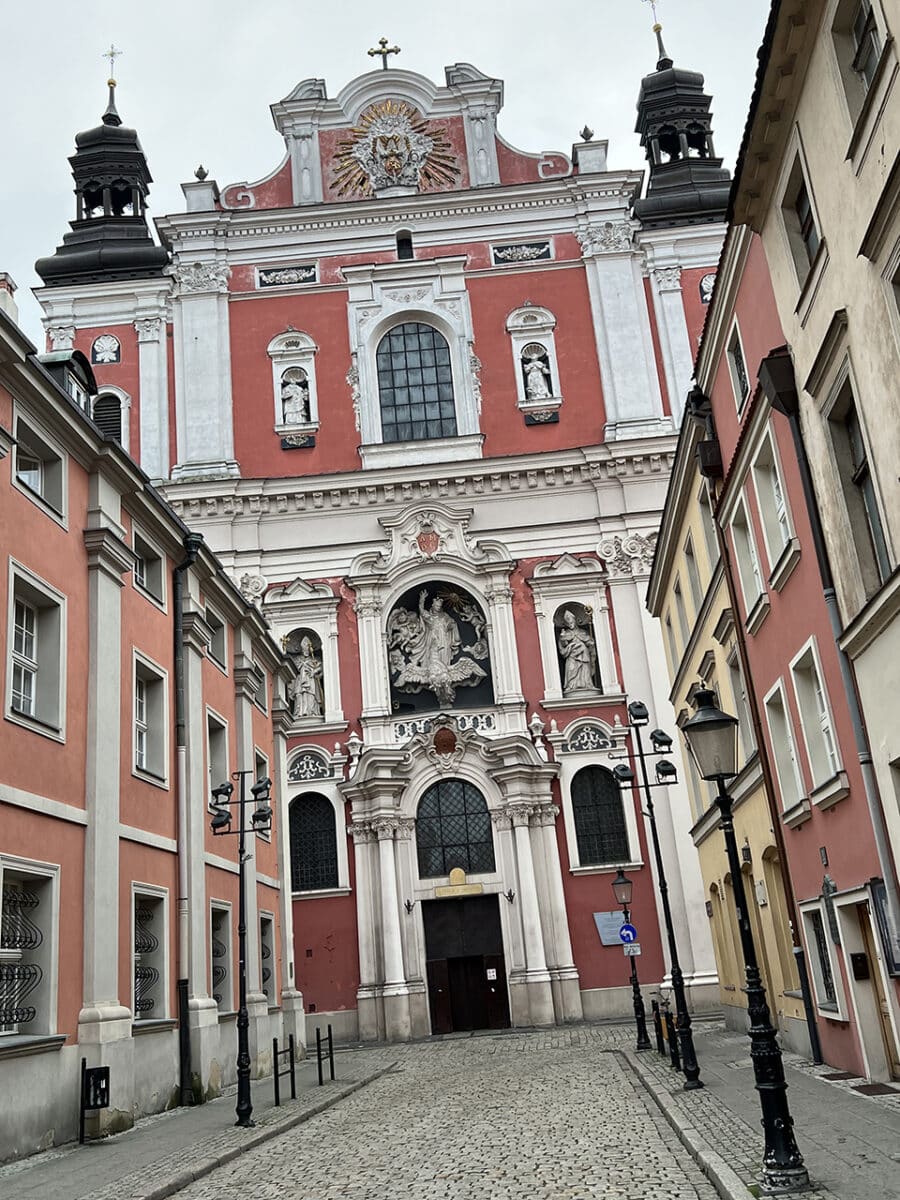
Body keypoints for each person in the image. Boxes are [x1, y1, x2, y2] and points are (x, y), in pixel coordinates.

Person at [557, 609, 597, 693]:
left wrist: (590, 642)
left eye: (571, 622)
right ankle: (571, 686)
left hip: (584, 654)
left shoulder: (583, 632)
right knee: (571, 669)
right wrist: (562, 637)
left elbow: (590, 643)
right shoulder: (566, 633)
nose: (570, 624)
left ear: (575, 621)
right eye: (568, 623)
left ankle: (588, 684)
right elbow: (563, 645)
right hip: (572, 655)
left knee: (585, 670)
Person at [290, 636, 323, 717]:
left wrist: (314, 671)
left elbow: (321, 667)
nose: (306, 648)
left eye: (307, 646)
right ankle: (299, 712)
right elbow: (291, 667)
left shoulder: (314, 659)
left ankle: (311, 712)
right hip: (299, 679)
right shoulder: (297, 659)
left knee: (310, 694)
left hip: (310, 679)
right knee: (299, 694)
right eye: (304, 646)